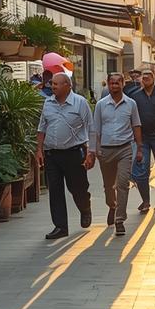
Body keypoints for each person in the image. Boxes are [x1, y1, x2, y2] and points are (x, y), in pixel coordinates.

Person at [35, 73, 95, 240]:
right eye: (52, 84)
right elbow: (42, 128)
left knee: (77, 188)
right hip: (52, 154)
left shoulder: (80, 103)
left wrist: (91, 152)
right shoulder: (48, 103)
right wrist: (39, 150)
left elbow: (91, 128)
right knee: (55, 190)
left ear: (67, 85)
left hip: (74, 153)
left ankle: (85, 207)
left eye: (56, 84)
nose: (53, 87)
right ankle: (60, 226)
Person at [93, 72, 144, 236]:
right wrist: (95, 150)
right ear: (108, 85)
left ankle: (120, 219)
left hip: (125, 149)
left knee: (123, 183)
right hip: (106, 150)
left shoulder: (131, 104)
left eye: (117, 83)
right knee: (109, 186)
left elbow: (136, 125)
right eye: (112, 83)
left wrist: (140, 149)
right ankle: (112, 206)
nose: (114, 86)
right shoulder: (101, 105)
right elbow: (96, 129)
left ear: (123, 84)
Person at [127, 68, 155, 211]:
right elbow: (131, 116)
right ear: (141, 78)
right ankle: (145, 201)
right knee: (142, 170)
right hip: (142, 139)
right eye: (144, 75)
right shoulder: (135, 96)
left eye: (149, 75)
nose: (146, 77)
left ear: (154, 78)